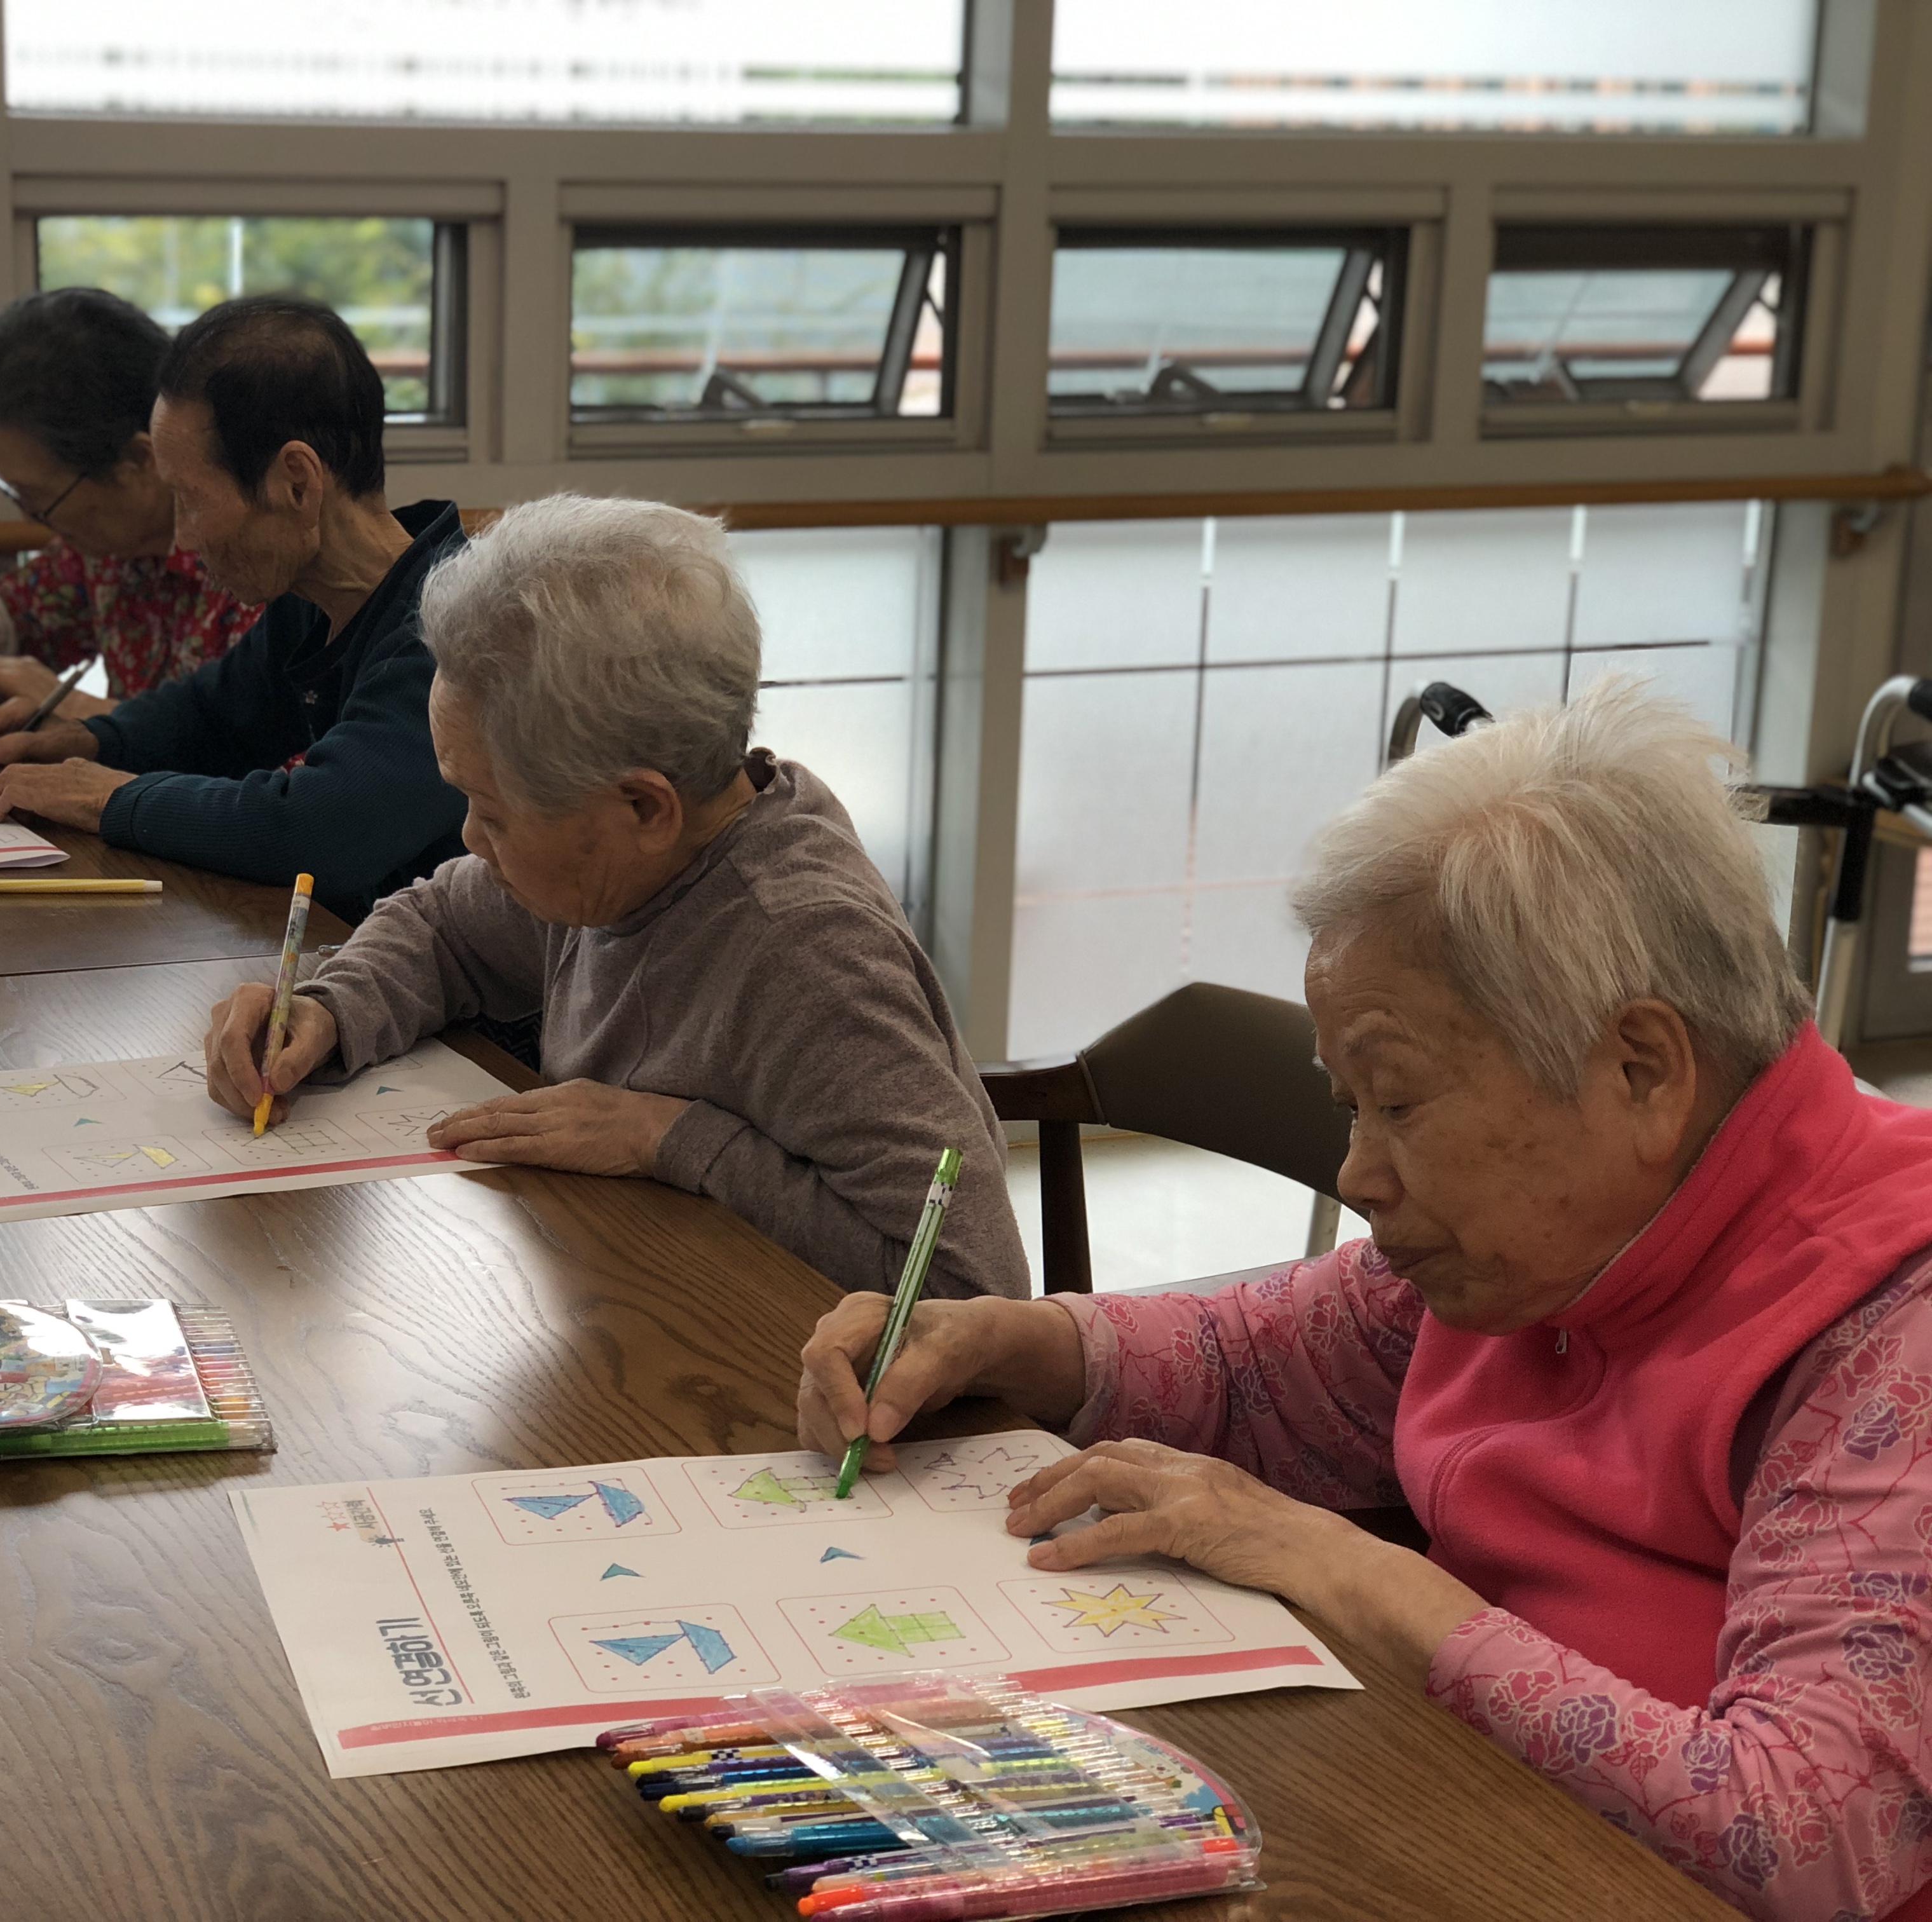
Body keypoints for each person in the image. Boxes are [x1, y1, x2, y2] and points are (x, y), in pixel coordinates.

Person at [798, 679, 1932, 1922]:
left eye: (1398, 1101)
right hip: (1474, 1826)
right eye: (1349, 1104)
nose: (1357, 1173)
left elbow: (1806, 1840)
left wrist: (1350, 1571)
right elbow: (1256, 1363)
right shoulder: (1562, 1229)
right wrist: (1005, 1342)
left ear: (1639, 1068)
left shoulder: (1893, 1331)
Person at [202, 493, 1027, 1300]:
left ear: (644, 809)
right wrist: (329, 1009)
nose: (470, 840)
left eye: (494, 812)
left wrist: (668, 1136)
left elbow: (967, 1286)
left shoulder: (809, 959)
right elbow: (444, 925)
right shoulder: (623, 858)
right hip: (641, 1294)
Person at [0, 295, 468, 928]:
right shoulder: (314, 604)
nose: (182, 537)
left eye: (192, 500)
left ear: (296, 483)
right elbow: (209, 716)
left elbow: (316, 830)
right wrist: (85, 740)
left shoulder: (456, 629)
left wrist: (108, 797)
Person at [0, 287, 259, 708]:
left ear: (137, 462)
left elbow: (262, 746)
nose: (30, 519)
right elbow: (23, 614)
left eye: (38, 498)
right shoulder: (113, 548)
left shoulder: (255, 563)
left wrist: (77, 711)